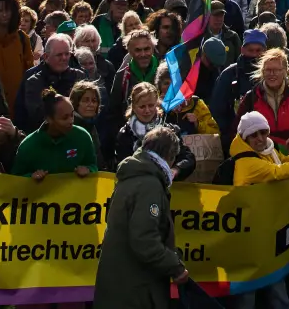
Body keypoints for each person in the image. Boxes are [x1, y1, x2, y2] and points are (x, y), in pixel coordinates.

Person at [228, 111, 289, 308]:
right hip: (250, 235)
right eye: (254, 135)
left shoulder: (268, 151)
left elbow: (283, 162)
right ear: (244, 137)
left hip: (267, 230)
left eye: (263, 133)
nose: (260, 139)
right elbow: (278, 172)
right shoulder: (246, 162)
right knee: (249, 290)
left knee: (275, 280)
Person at [92, 124, 190, 309]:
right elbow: (144, 239)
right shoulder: (149, 185)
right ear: (169, 156)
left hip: (120, 284)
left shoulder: (132, 177)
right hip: (136, 288)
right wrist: (174, 266)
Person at [13, 88, 99, 179]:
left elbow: (93, 165)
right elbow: (17, 179)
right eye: (64, 118)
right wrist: (31, 177)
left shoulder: (83, 136)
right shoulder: (28, 146)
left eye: (72, 115)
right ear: (49, 119)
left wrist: (89, 170)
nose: (71, 121)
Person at [15, 34, 84, 132]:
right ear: (46, 57)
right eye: (59, 55)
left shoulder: (79, 77)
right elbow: (36, 116)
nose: (64, 58)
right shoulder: (34, 82)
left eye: (67, 54)